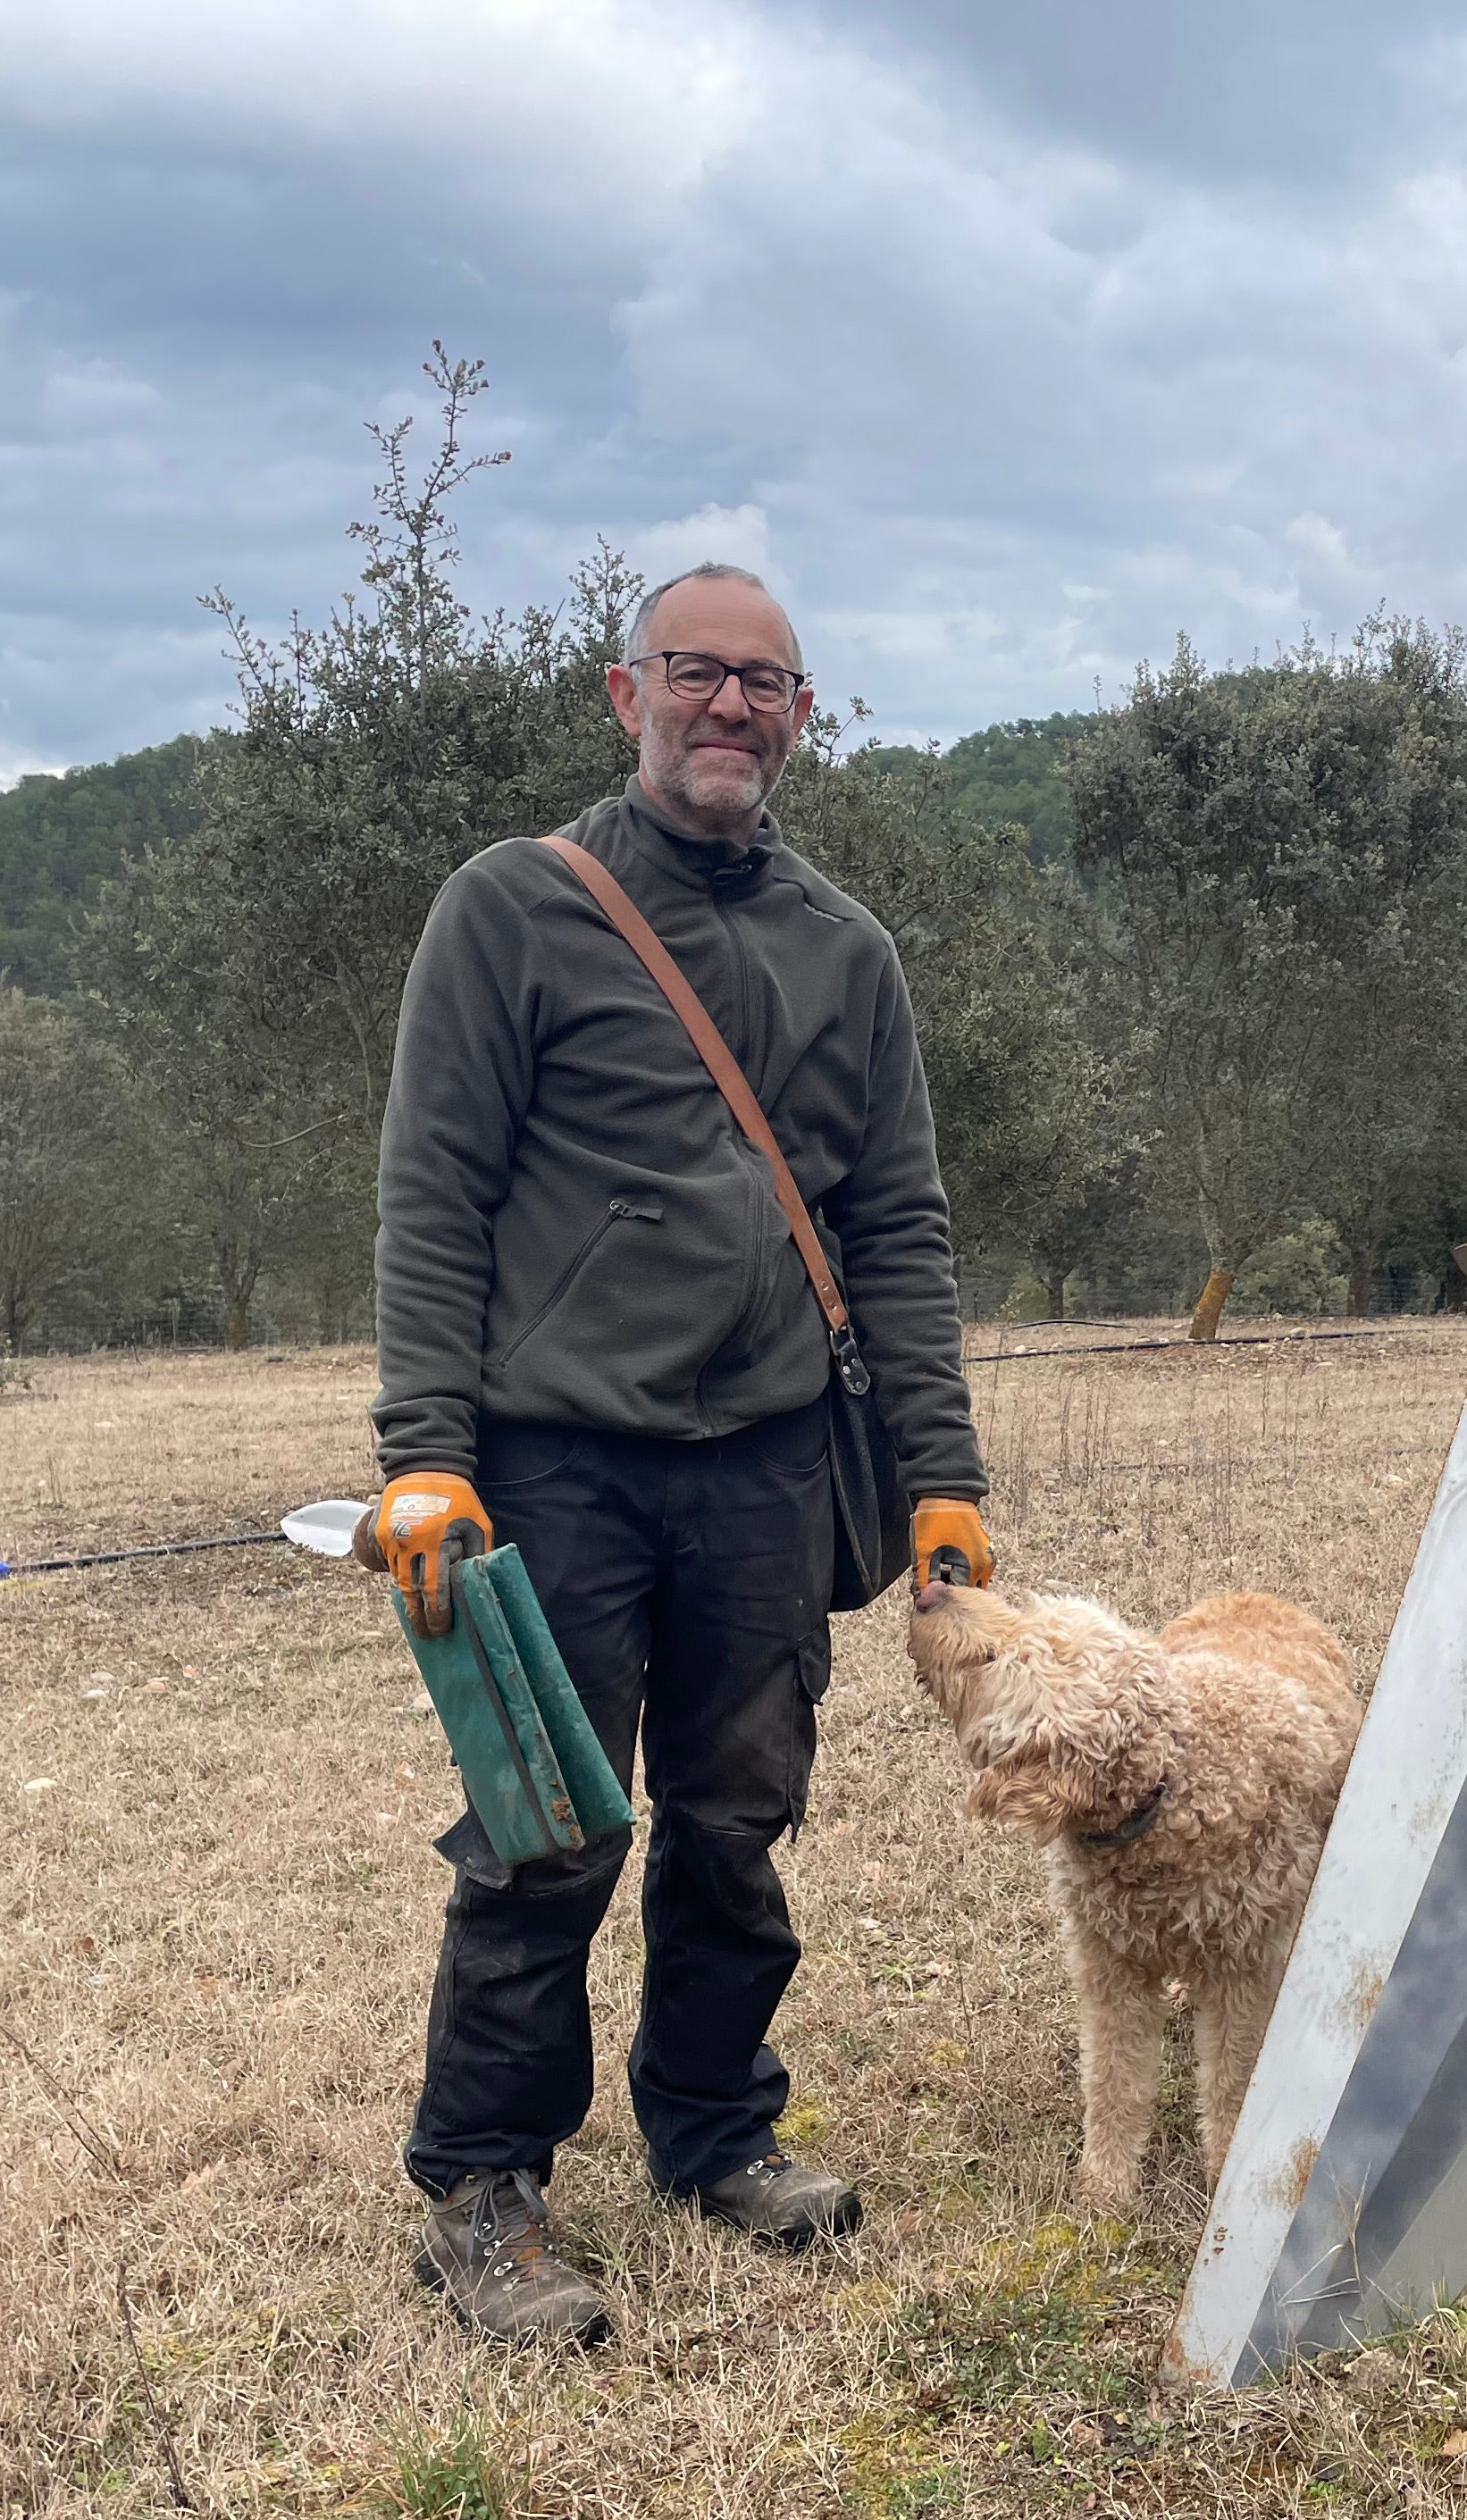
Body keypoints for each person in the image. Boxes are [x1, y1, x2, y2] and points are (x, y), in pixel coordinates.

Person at [365, 562, 993, 2345]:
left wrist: (940, 1471)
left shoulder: (846, 951)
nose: (730, 708)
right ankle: (485, 2185)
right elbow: (434, 1196)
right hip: (555, 1467)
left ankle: (716, 2134)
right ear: (623, 694)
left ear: (807, 716)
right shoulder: (511, 911)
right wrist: (423, 1453)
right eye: (696, 675)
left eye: (766, 684)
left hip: (771, 1471)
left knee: (736, 1822)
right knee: (545, 1833)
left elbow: (900, 1230)